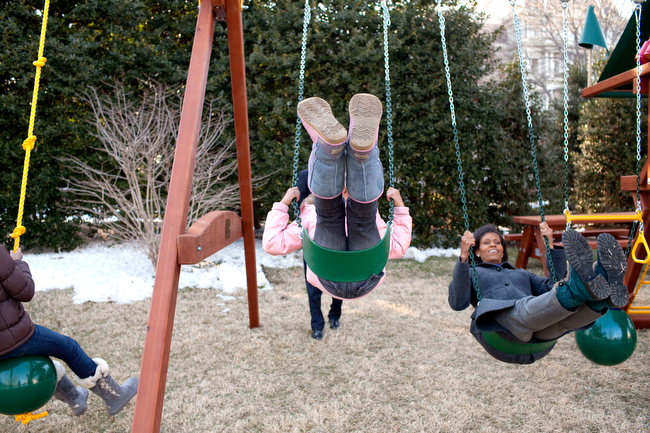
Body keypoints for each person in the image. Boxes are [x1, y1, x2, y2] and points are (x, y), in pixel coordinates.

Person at [263, 93, 412, 311]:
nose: (344, 188)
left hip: (332, 271)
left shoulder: (308, 215)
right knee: (362, 217)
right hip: (365, 271)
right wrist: (399, 208)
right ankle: (359, 152)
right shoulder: (312, 213)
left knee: (333, 217)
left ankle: (338, 150)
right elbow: (397, 248)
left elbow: (272, 244)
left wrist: (282, 205)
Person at [448, 223, 629, 364]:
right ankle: (581, 287)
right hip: (502, 331)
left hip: (539, 339)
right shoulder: (471, 272)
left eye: (497, 242)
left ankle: (603, 295)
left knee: (563, 319)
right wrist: (463, 258)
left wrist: (549, 244)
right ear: (477, 251)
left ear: (503, 250)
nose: (493, 244)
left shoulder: (520, 274)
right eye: (486, 243)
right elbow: (458, 303)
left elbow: (551, 287)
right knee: (524, 310)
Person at [0, 245, 138, 416]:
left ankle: (75, 399)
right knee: (69, 348)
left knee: (42, 354)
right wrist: (17, 263)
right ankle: (113, 395)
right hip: (12, 337)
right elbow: (26, 291)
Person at [295, 169, 342, 340]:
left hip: (336, 238)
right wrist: (309, 201)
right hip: (313, 240)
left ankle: (335, 316)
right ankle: (317, 325)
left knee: (338, 282)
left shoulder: (341, 171)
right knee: (312, 287)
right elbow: (297, 206)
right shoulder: (306, 174)